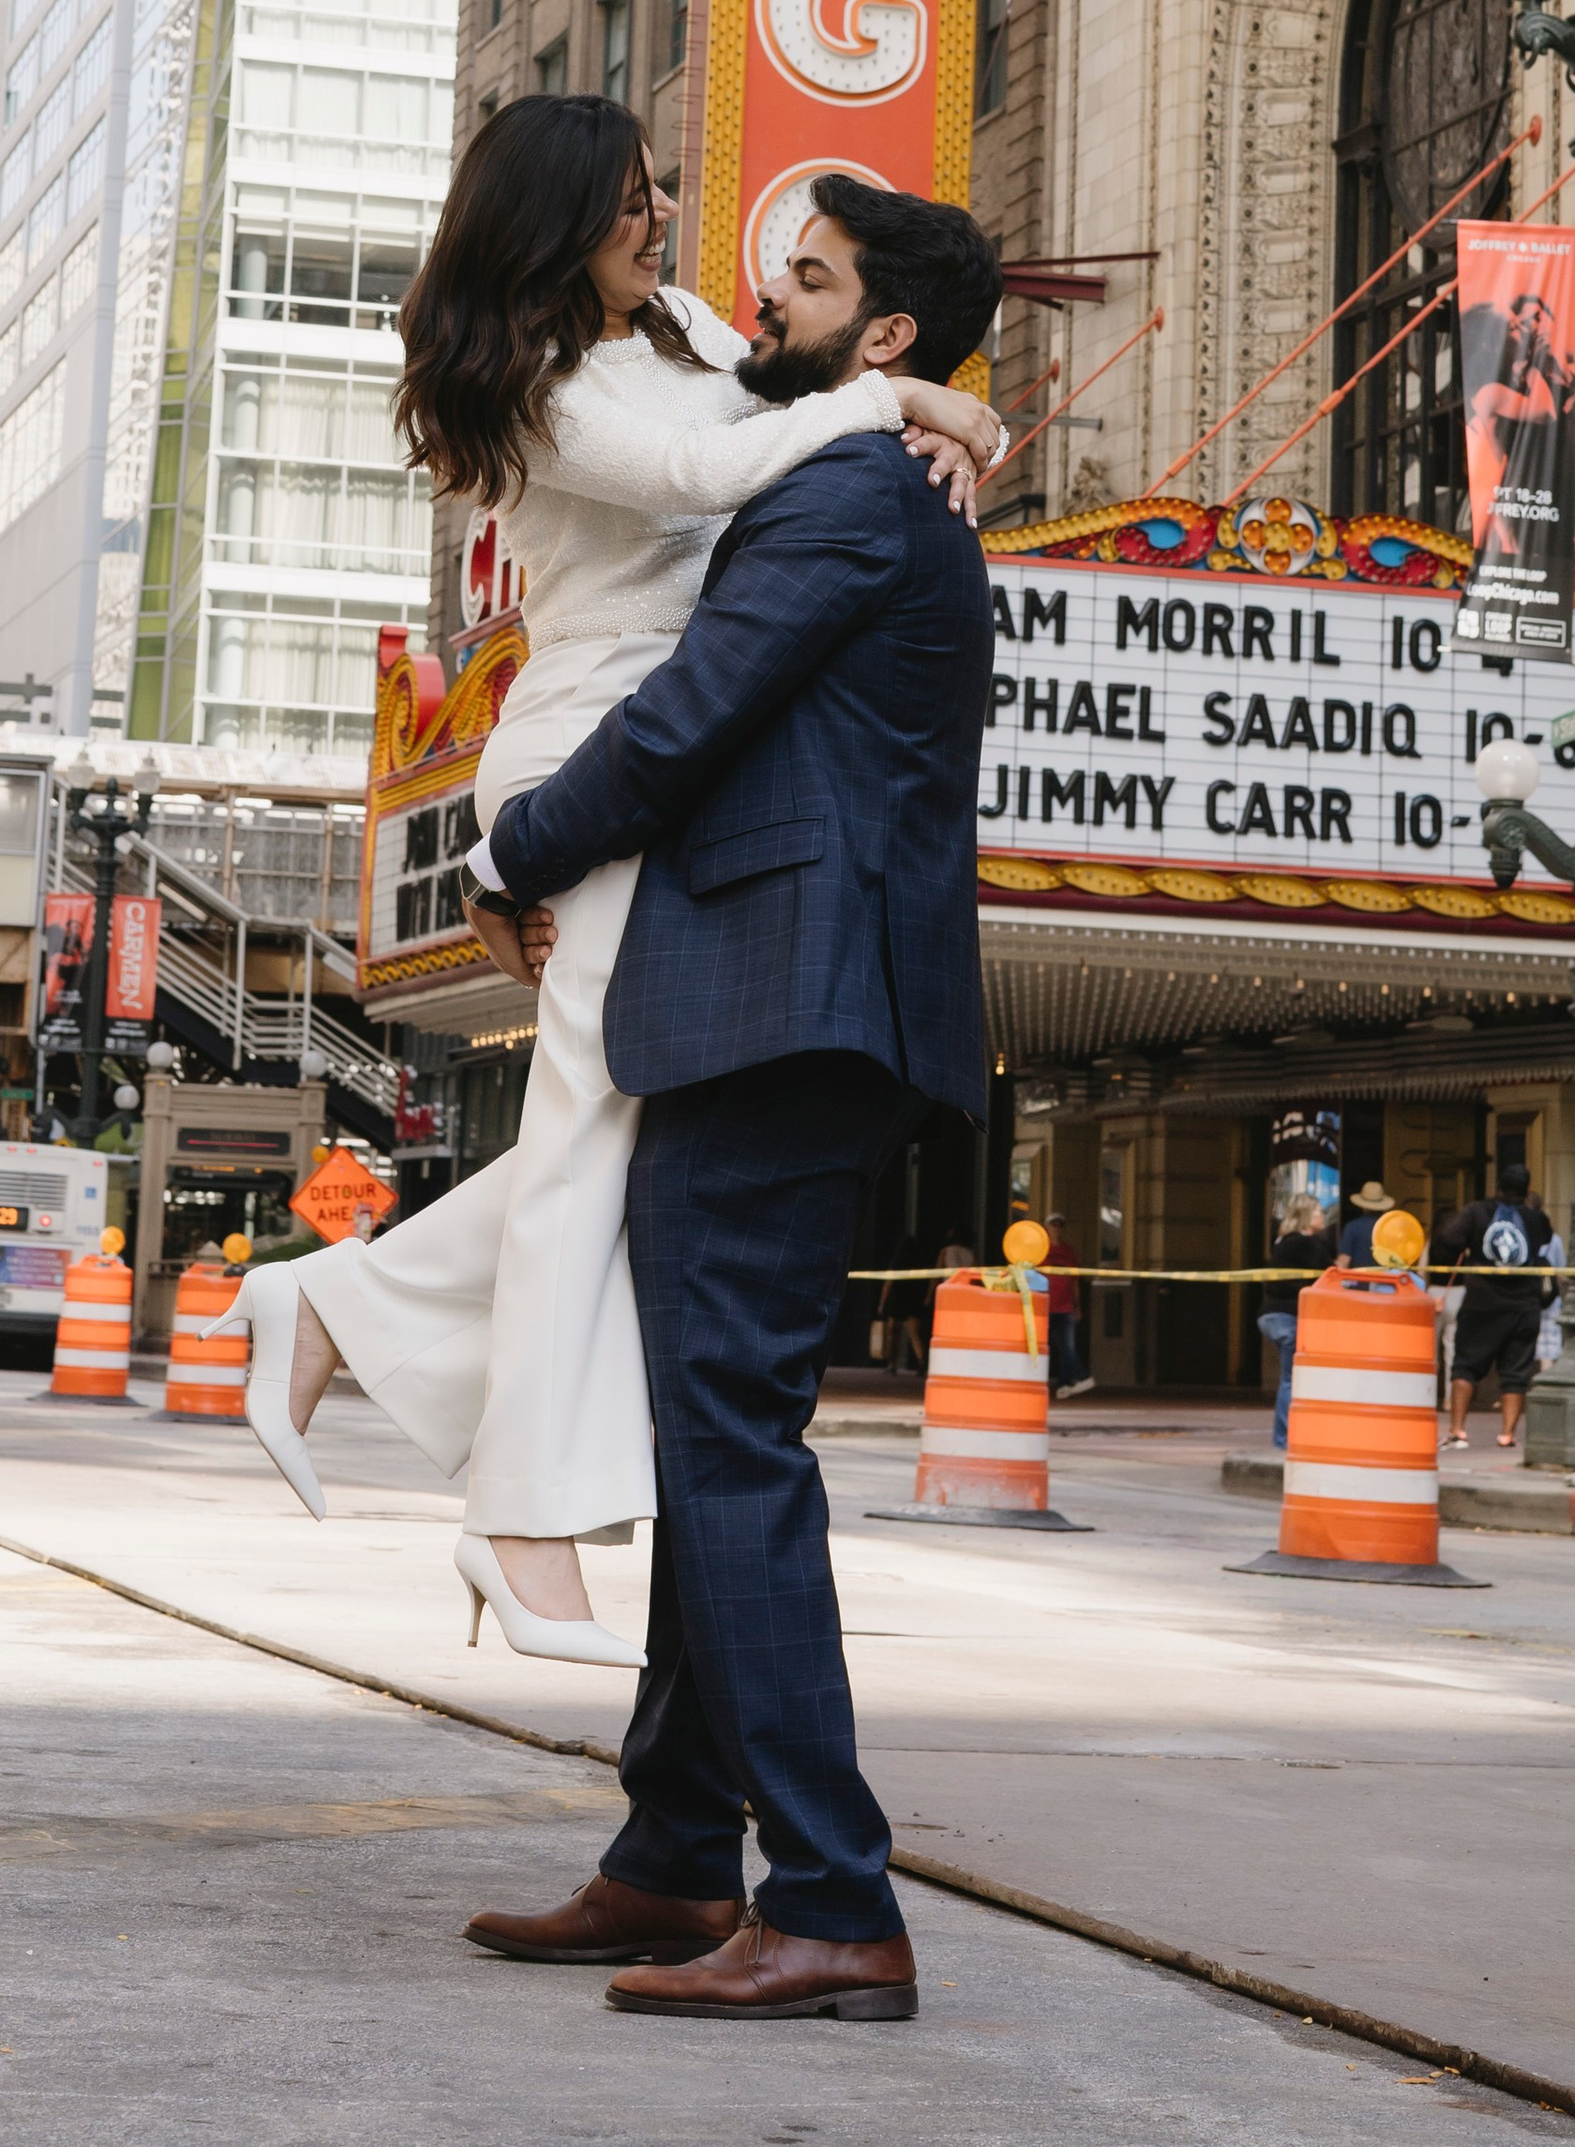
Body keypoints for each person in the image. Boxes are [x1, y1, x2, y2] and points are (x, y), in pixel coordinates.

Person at [214, 104, 1000, 1666]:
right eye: (633, 198)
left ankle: (329, 1308)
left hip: (661, 747)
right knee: (588, 1132)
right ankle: (521, 1521)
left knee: (624, 1128)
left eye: (660, 187)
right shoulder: (550, 384)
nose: (664, 217)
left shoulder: (684, 322)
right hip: (587, 741)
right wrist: (923, 404)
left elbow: (778, 393)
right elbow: (708, 467)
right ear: (560, 220)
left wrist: (911, 405)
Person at [454, 174, 1004, 2026]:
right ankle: (681, 1857)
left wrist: (513, 844)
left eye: (818, 281)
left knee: (734, 1445)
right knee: (715, 1436)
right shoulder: (862, 459)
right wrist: (952, 416)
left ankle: (834, 1896)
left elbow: (693, 715)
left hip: (785, 1010)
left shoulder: (842, 495)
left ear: (891, 331)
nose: (775, 298)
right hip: (787, 1010)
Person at [1435, 1158, 1561, 1449]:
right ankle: (1507, 1434)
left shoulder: (1477, 1211)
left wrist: (1472, 1246)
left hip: (1482, 1304)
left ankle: (1457, 1430)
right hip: (1524, 1306)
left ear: (1499, 1186)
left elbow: (1450, 1238)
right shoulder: (1535, 1218)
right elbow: (1544, 1240)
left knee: (1466, 1366)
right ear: (1525, 1189)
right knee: (1516, 1374)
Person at [1258, 1195, 1336, 1453]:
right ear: (1306, 1216)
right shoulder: (1306, 1244)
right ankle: (1284, 1439)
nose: (1322, 1216)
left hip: (1271, 1315)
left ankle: (1290, 1436)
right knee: (1292, 1380)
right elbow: (1332, 1275)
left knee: (1292, 1378)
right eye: (1318, 1211)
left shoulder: (1283, 1241)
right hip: (1287, 1317)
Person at [1043, 1212, 1091, 1397]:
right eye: (1053, 1225)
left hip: (1064, 1307)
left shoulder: (1069, 1252)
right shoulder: (1040, 1250)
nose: (1056, 1229)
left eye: (1060, 1225)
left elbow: (1074, 1281)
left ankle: (1065, 1383)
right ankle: (1081, 1375)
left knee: (1067, 1347)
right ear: (1047, 1228)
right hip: (1045, 1305)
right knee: (1041, 1347)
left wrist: (1077, 1306)